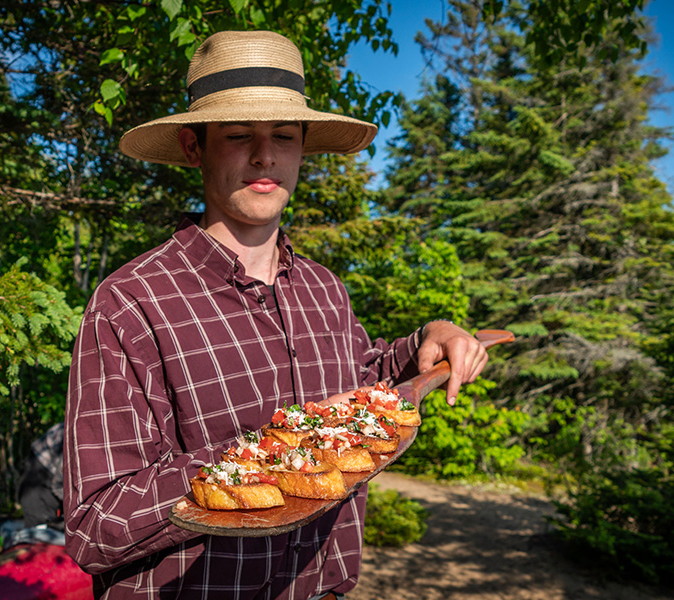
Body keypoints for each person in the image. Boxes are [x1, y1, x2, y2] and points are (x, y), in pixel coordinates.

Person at [63, 30, 488, 600]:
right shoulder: (131, 304)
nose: (265, 155)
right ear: (194, 148)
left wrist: (427, 340)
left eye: (284, 136)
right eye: (239, 135)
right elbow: (96, 527)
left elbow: (361, 387)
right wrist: (274, 449)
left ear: (303, 148)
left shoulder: (325, 289)